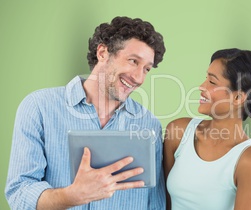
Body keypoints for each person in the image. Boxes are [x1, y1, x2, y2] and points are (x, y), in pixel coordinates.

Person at [5, 16, 166, 209]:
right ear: (103, 52)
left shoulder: (149, 125)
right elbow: (19, 192)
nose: (139, 77)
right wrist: (71, 196)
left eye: (146, 69)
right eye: (133, 61)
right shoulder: (39, 107)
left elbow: (155, 203)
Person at [164, 48, 251, 210]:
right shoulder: (178, 131)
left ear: (237, 97)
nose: (201, 87)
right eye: (206, 79)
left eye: (212, 82)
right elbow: (161, 202)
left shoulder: (249, 160)